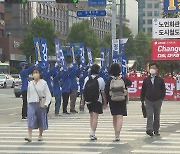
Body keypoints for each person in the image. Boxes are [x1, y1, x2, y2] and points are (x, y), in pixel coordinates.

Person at [105, 63, 132, 142]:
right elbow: (130, 83)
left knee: (115, 116)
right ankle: (118, 135)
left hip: (112, 100)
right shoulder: (123, 78)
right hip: (122, 99)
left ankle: (115, 133)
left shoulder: (110, 79)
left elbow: (106, 90)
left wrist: (105, 101)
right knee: (120, 116)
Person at [81, 64, 107, 140]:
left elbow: (84, 90)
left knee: (91, 115)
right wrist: (105, 102)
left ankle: (92, 131)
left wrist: (82, 101)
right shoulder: (100, 79)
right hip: (97, 100)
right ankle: (92, 132)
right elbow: (102, 92)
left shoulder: (87, 78)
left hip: (88, 100)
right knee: (95, 116)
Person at [25, 68, 52, 142]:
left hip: (41, 104)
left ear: (40, 74)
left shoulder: (43, 83)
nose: (35, 74)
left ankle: (40, 135)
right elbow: (28, 94)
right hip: (31, 103)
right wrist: (28, 102)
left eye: (36, 72)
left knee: (41, 120)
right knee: (30, 119)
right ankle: (29, 136)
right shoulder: (30, 83)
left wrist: (46, 104)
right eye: (34, 72)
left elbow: (48, 95)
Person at [140, 63, 166, 137]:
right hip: (148, 100)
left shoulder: (160, 79)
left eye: (154, 68)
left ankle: (156, 130)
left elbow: (163, 90)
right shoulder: (146, 79)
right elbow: (143, 90)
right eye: (151, 68)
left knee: (157, 116)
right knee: (150, 115)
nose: (152, 69)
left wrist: (161, 98)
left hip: (158, 100)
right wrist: (142, 99)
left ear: (157, 70)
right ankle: (149, 129)